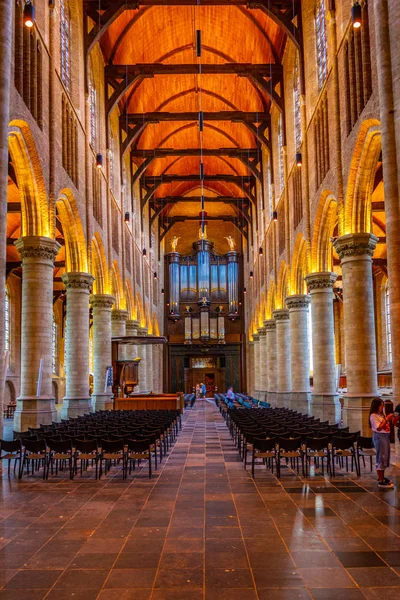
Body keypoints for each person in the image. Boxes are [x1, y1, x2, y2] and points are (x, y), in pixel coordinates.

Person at [369, 398, 395, 488]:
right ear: (376, 406)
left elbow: (385, 425)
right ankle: (380, 480)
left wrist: (389, 419)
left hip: (385, 436)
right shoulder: (373, 416)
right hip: (379, 437)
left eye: (383, 405)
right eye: (381, 405)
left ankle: (382, 477)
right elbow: (379, 428)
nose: (382, 407)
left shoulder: (381, 414)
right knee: (381, 457)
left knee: (385, 457)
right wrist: (386, 419)